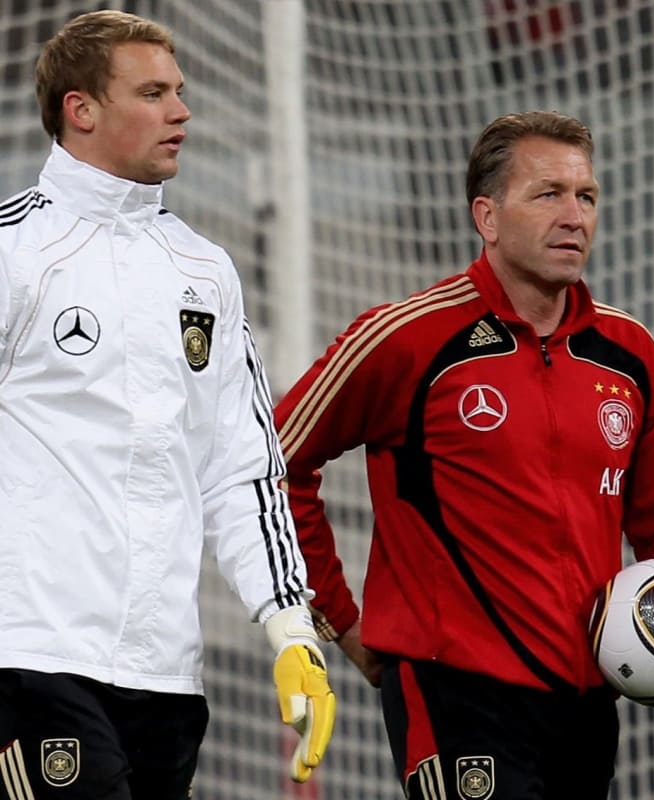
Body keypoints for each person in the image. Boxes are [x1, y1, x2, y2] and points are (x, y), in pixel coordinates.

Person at [274, 110, 654, 799]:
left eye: (587, 196)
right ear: (487, 216)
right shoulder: (405, 339)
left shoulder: (630, 356)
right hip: (457, 693)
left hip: (589, 699)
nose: (574, 216)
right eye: (548, 194)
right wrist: (339, 617)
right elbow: (271, 464)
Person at [0, 10, 334, 799]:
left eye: (179, 91)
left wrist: (288, 625)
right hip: (33, 654)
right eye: (153, 93)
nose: (182, 111)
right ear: (81, 110)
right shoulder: (13, 250)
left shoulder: (205, 270)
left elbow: (240, 464)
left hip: (167, 675)